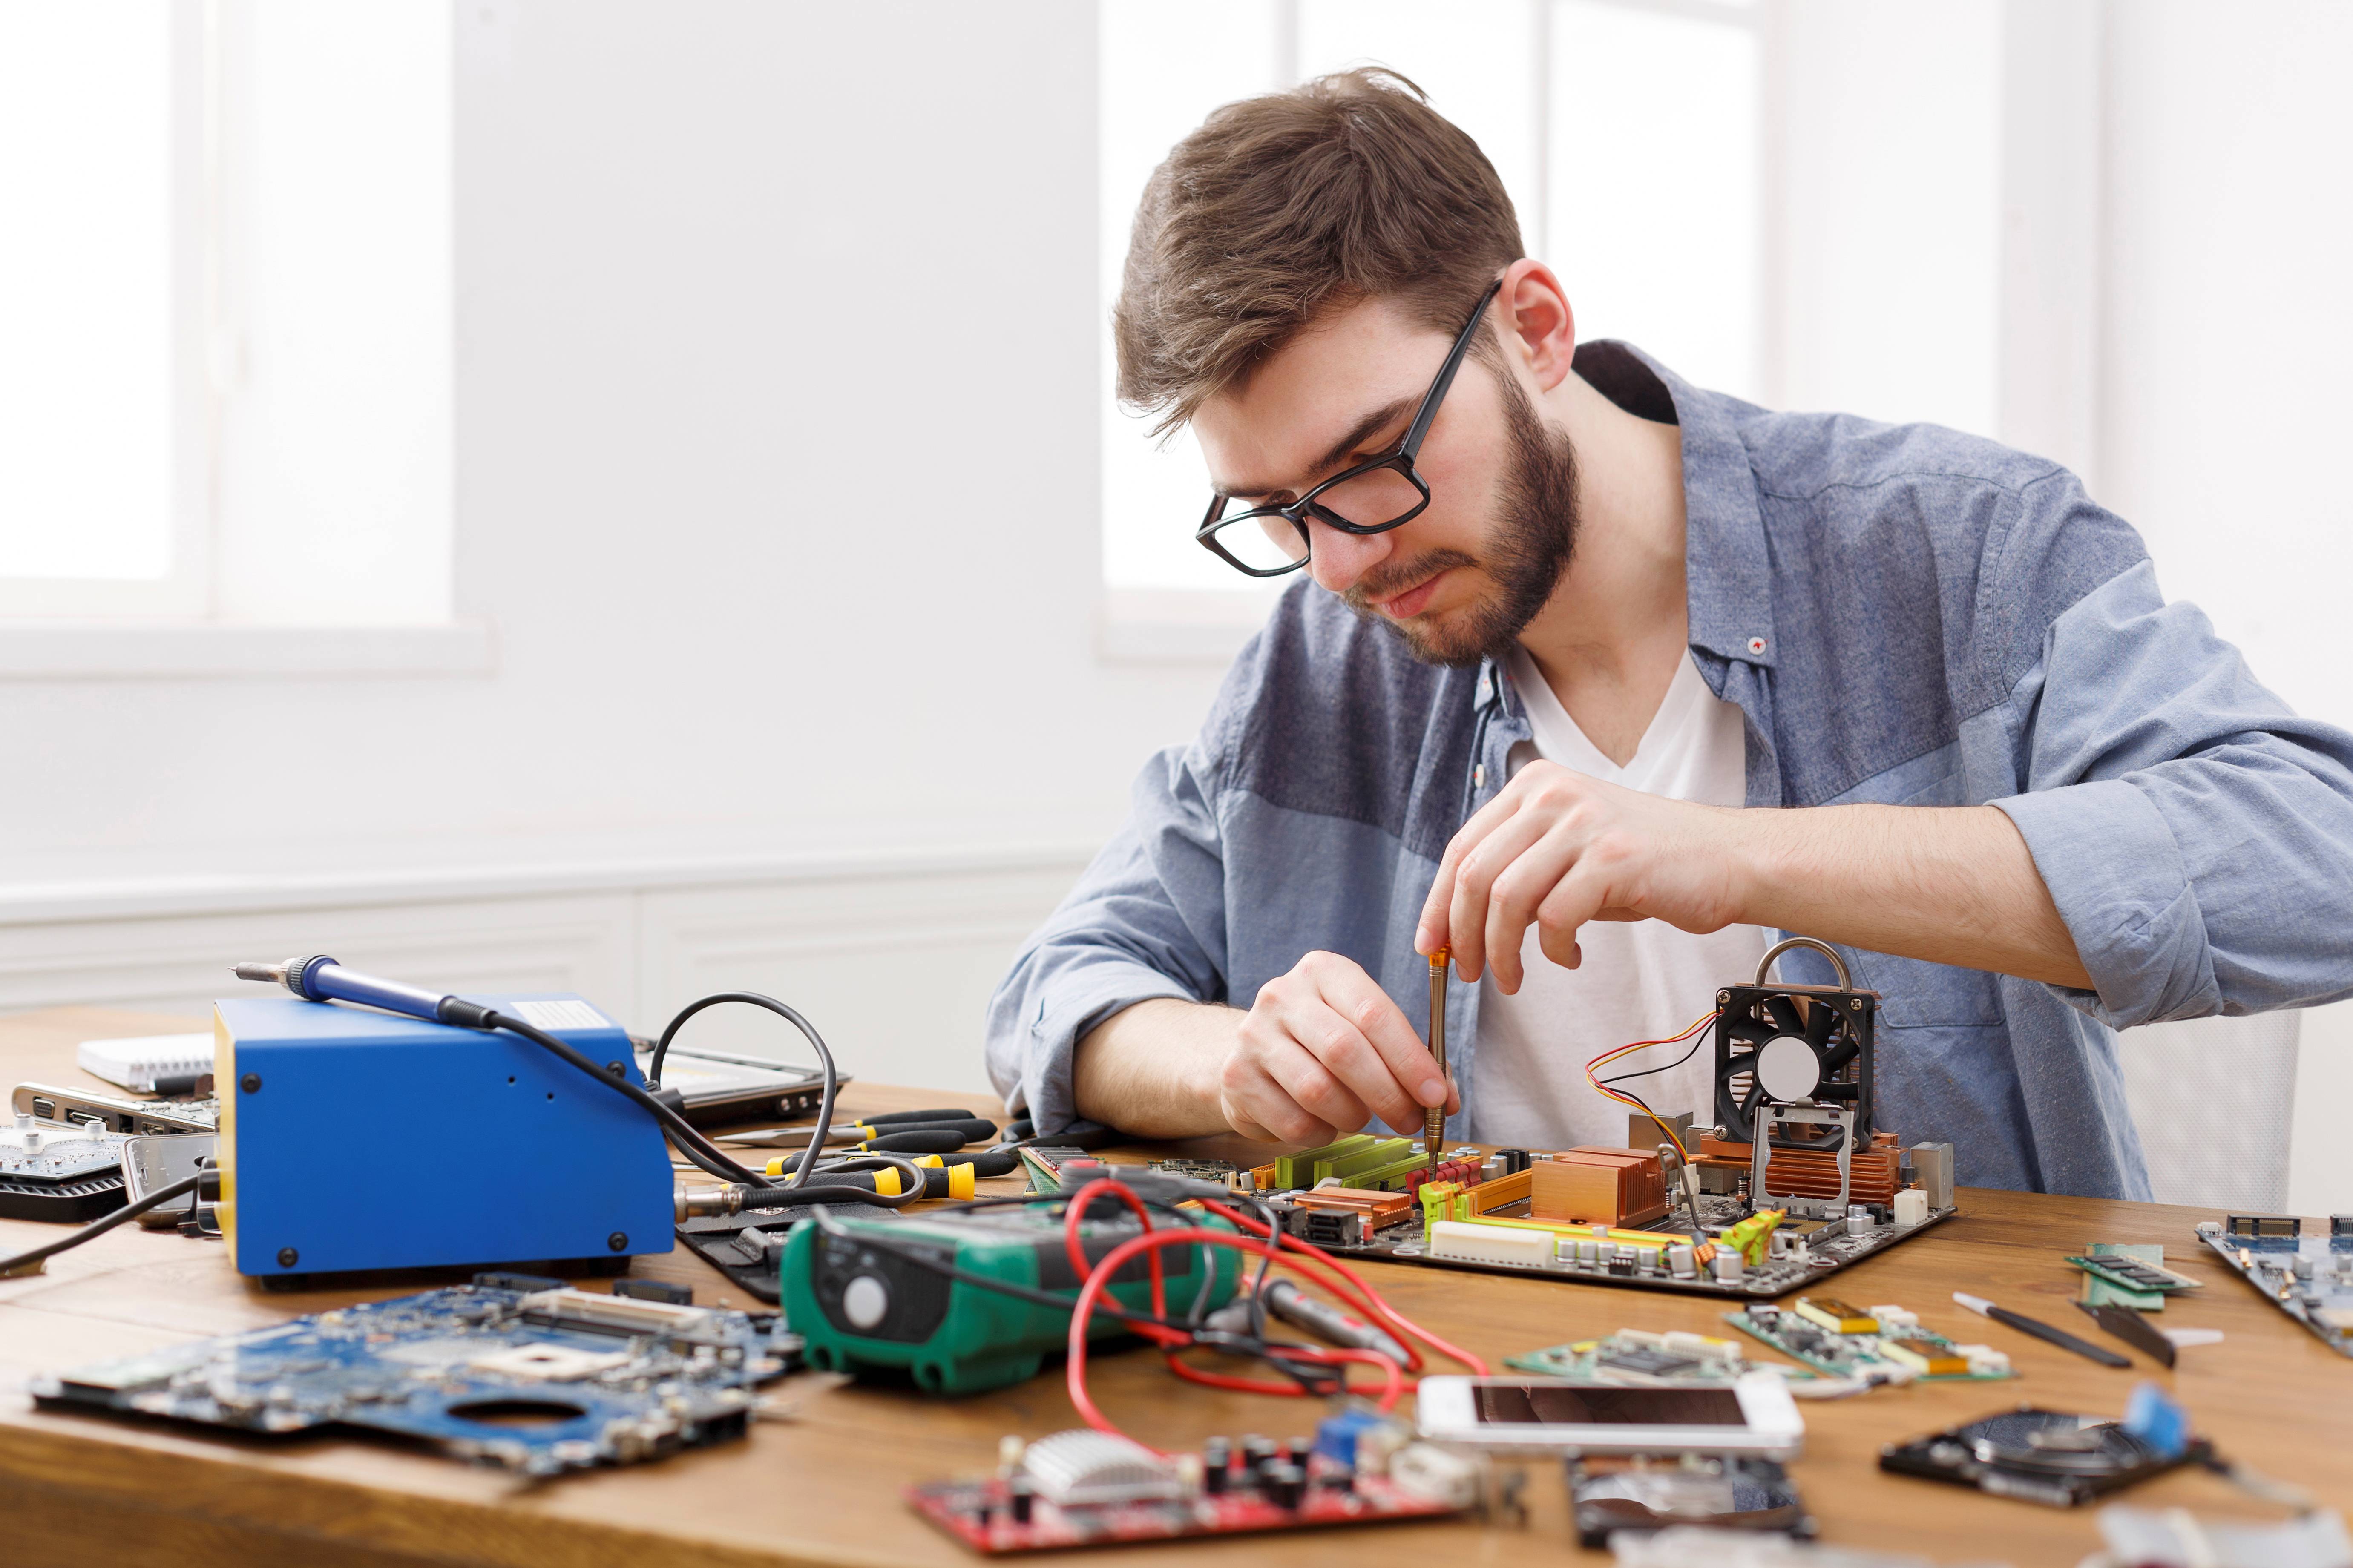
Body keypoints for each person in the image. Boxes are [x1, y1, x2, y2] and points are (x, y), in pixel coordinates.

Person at [984, 69, 2353, 1196]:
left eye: (1370, 462)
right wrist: (1224, 1059)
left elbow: (2315, 850)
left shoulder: (1961, 546)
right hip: (1467, 1402)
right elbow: (1061, 990)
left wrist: (1735, 856)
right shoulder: (1318, 658)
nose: (1341, 558)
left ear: (1533, 326)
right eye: (1278, 510)